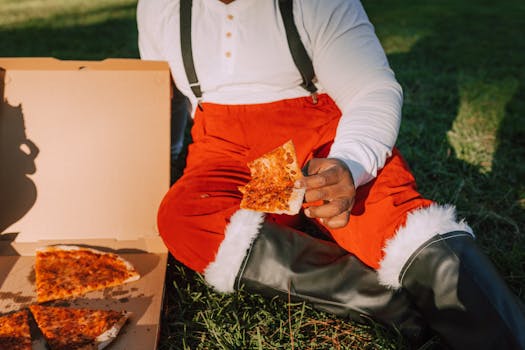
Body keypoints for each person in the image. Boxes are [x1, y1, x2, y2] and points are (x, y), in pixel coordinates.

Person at [137, 0, 525, 348]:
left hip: (321, 148)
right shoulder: (160, 7)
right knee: (185, 217)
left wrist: (349, 165)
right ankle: (389, 306)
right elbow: (165, 95)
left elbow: (372, 88)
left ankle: (497, 333)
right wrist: (162, 161)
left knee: (400, 224)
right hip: (228, 156)